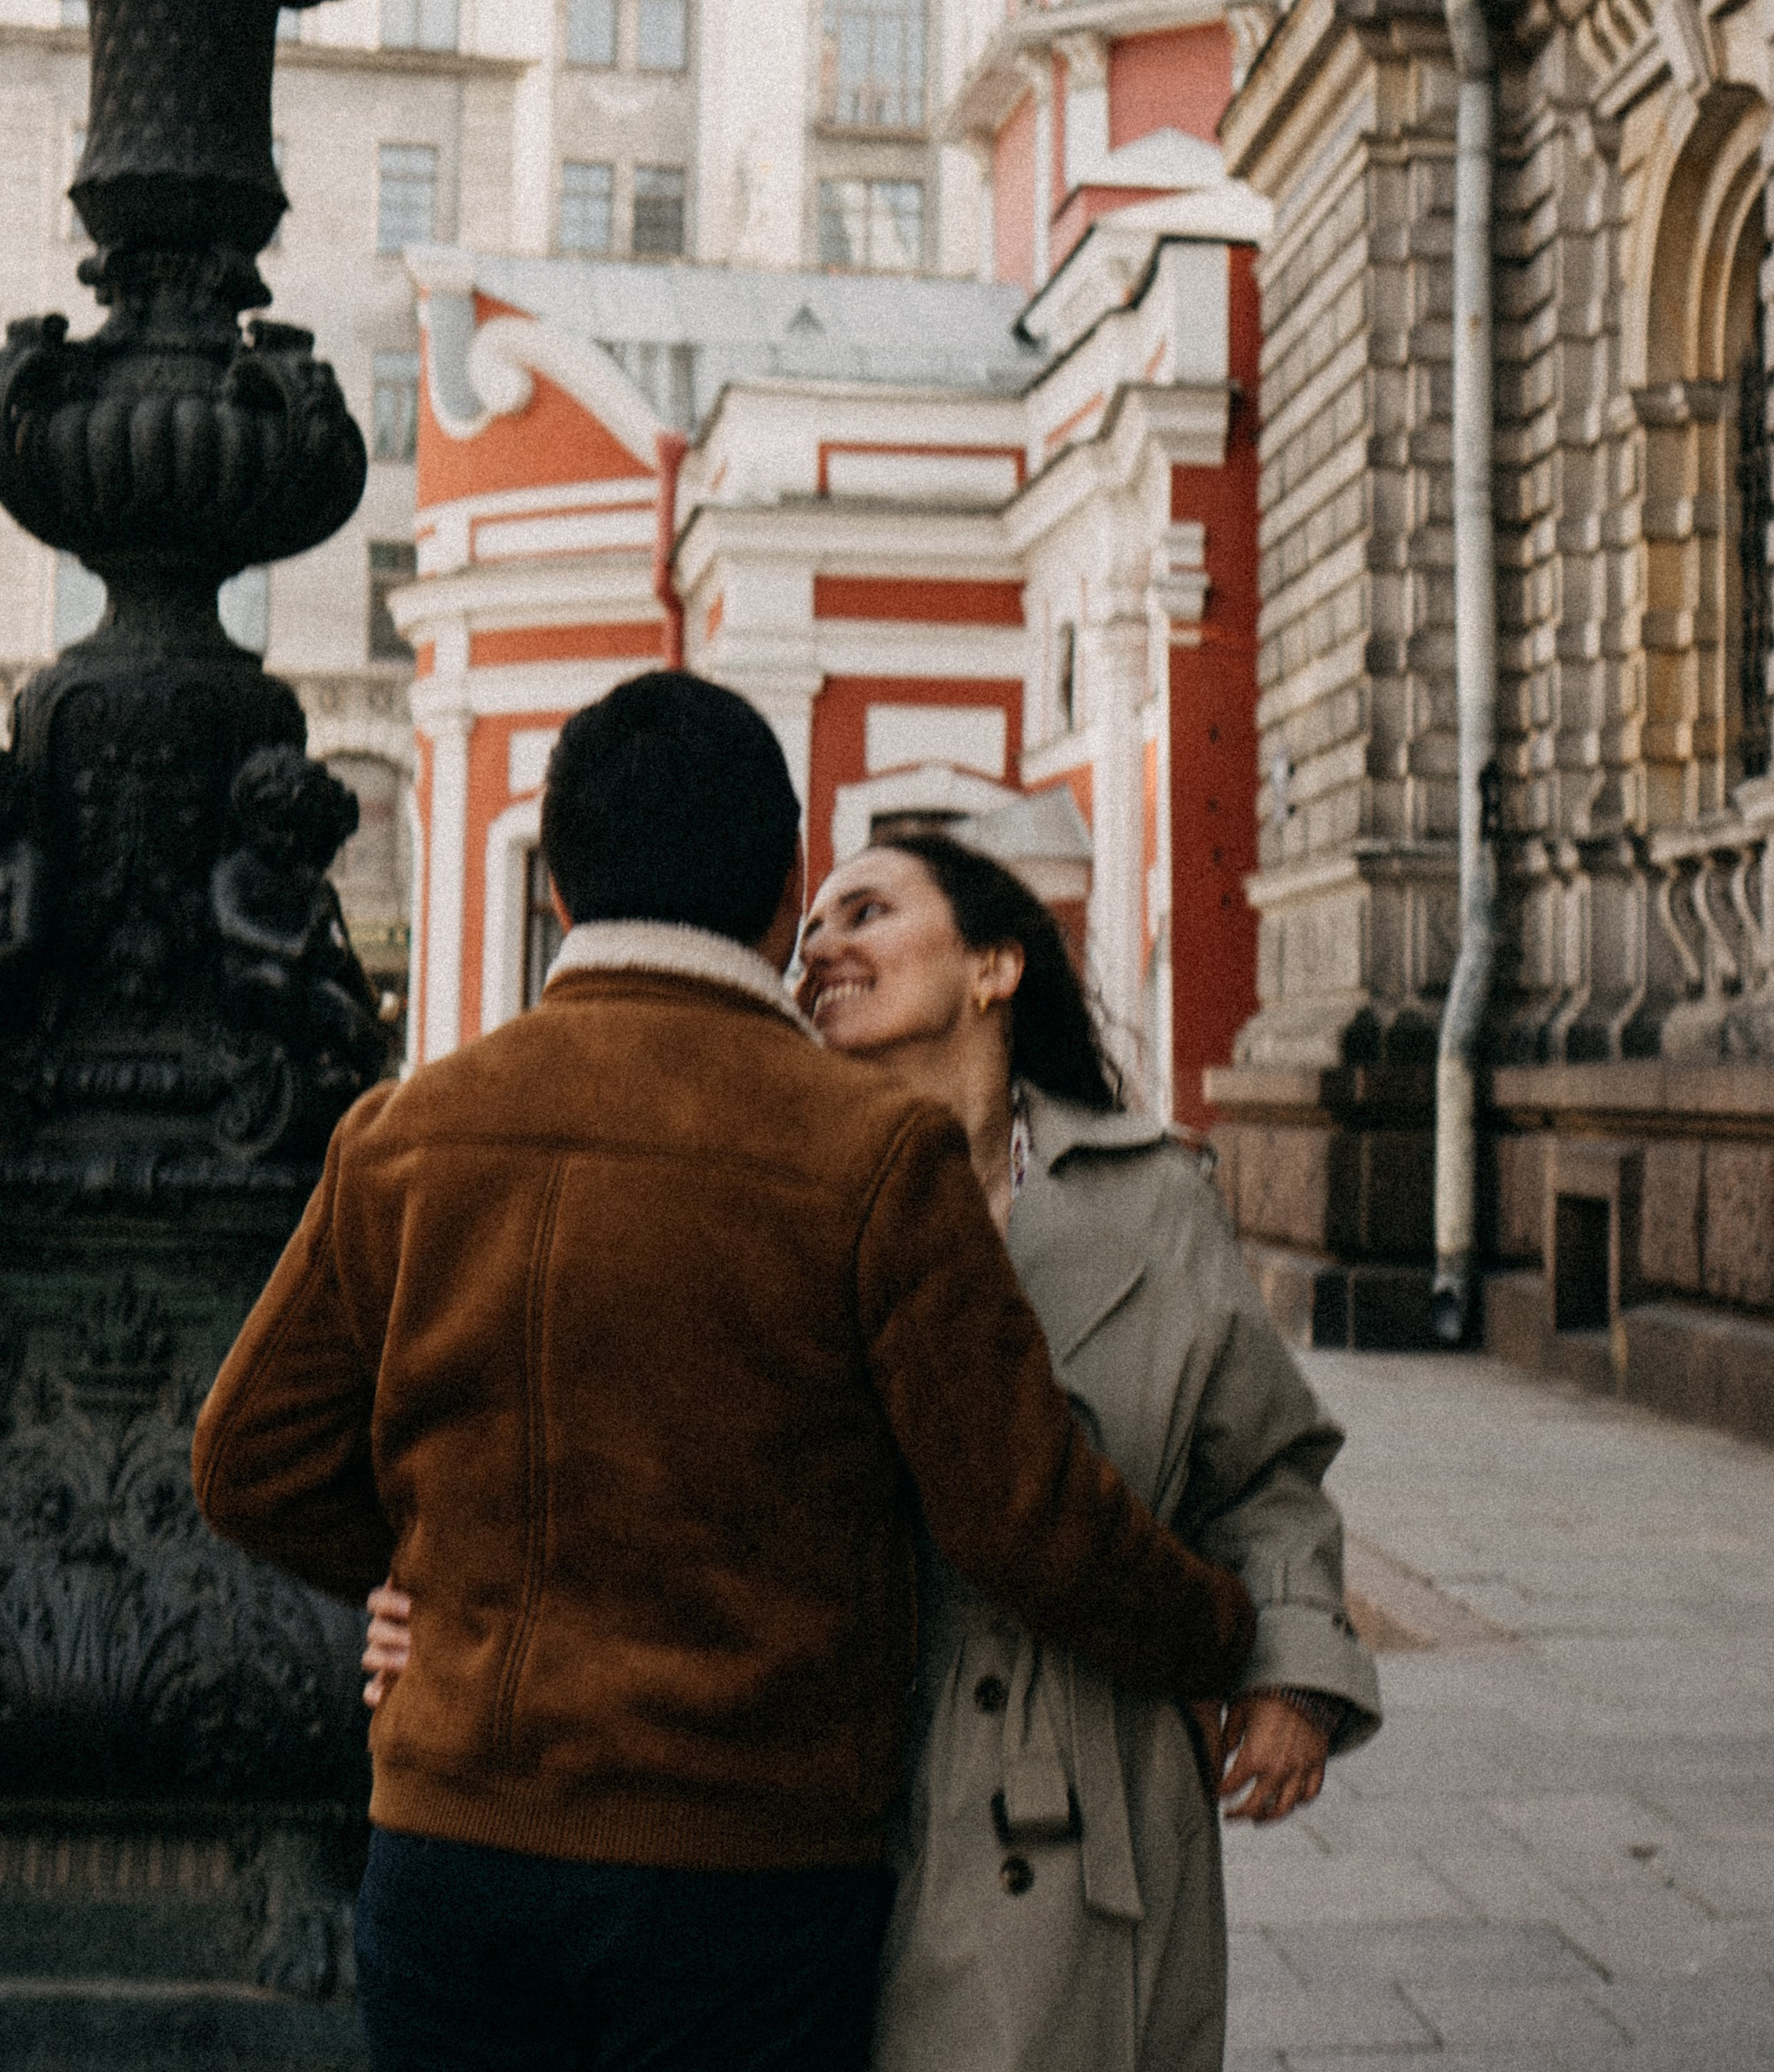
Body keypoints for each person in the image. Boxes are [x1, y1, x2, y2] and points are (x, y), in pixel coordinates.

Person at [192, 672, 1262, 2072]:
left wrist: (426, 1581)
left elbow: (245, 1459)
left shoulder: (408, 1132)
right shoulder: (870, 1154)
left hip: (452, 1846)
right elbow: (1025, 1517)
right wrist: (1226, 1636)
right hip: (745, 1869)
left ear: (563, 892)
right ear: (783, 887)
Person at [367, 820, 1383, 2072]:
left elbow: (1264, 1471)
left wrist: (1290, 1670)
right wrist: (454, 1589)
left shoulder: (1153, 1201)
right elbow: (570, 1430)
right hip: (787, 1796)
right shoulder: (746, 1181)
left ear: (995, 968)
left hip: (1059, 1798)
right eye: (814, 926)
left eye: (870, 913)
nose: (821, 950)